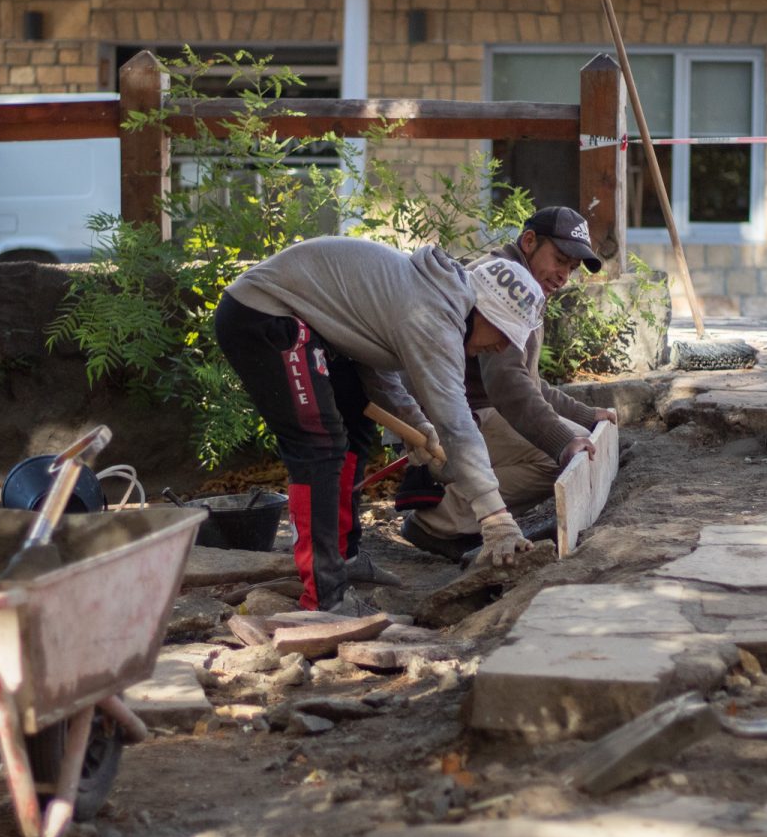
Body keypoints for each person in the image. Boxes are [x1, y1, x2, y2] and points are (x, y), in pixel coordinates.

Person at [214, 238, 544, 614]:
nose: (502, 348)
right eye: (505, 334)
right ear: (486, 312)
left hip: (305, 320)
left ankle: (345, 558)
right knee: (318, 445)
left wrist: (416, 424)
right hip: (263, 314)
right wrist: (496, 519)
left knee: (355, 421)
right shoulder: (436, 315)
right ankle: (326, 599)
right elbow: (456, 422)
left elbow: (376, 369)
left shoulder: (434, 297)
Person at [398, 206, 620, 561]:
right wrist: (562, 442)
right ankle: (439, 519)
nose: (564, 275)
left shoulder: (527, 279)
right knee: (562, 458)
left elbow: (528, 379)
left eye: (572, 268)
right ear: (529, 241)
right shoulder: (507, 282)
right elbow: (506, 383)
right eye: (559, 260)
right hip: (447, 420)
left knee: (577, 439)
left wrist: (587, 414)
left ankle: (458, 500)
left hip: (471, 413)